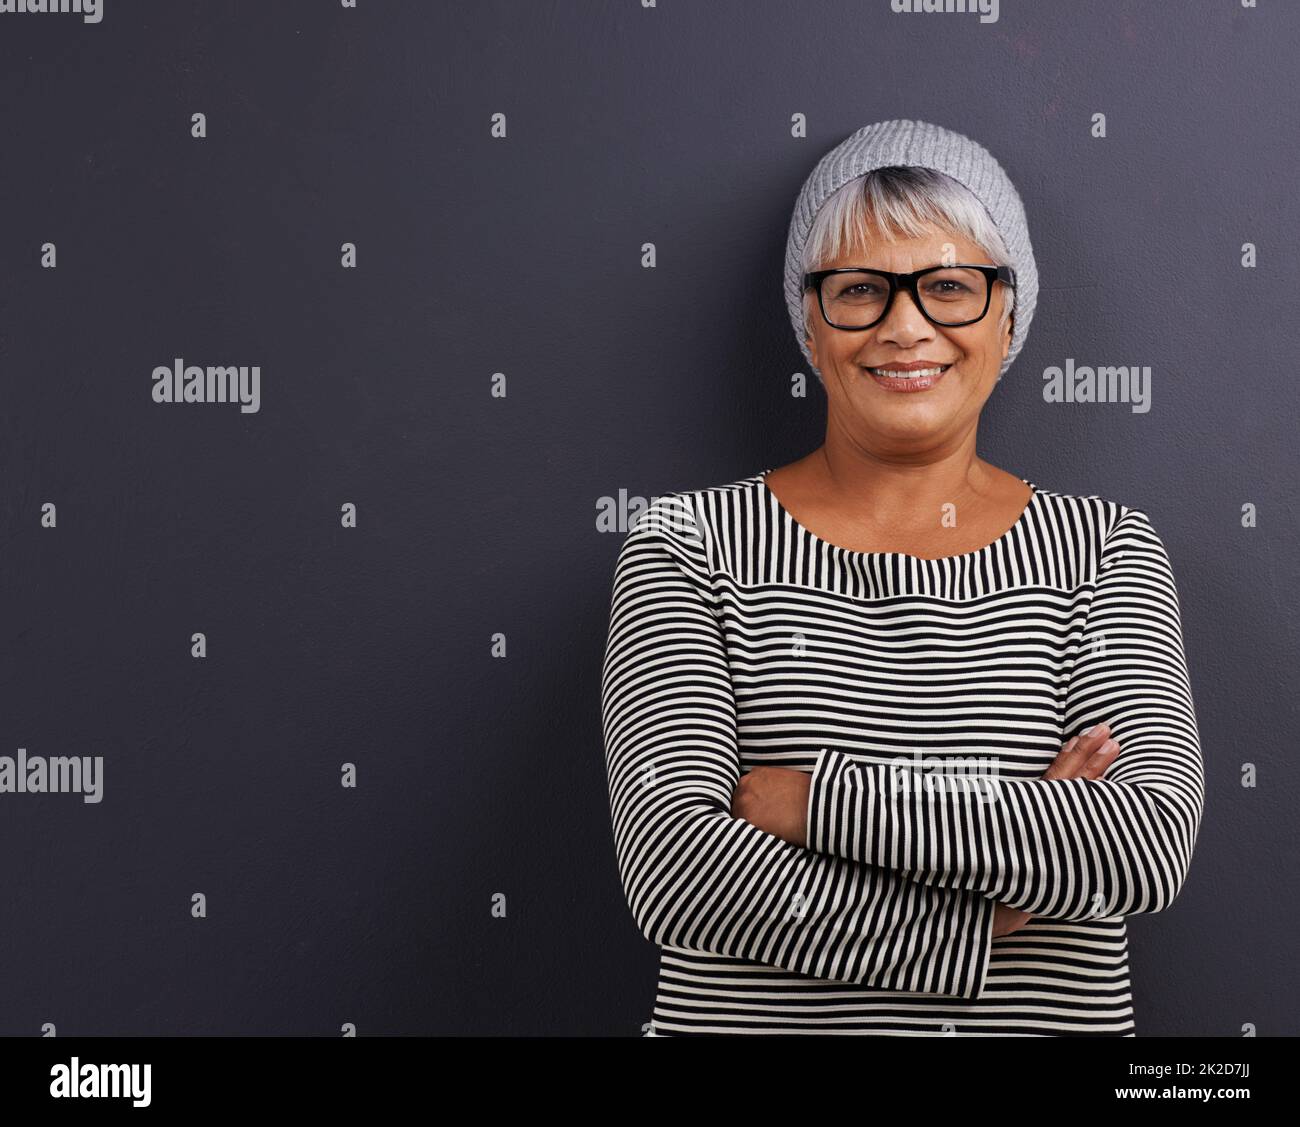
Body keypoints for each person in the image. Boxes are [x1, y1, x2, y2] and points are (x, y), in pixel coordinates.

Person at [600, 120, 1204, 1036]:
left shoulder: (1105, 550)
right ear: (812, 317)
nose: (905, 326)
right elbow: (677, 872)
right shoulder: (687, 544)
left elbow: (1141, 845)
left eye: (951, 286)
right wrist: (981, 912)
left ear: (1010, 311)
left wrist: (810, 802)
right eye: (859, 291)